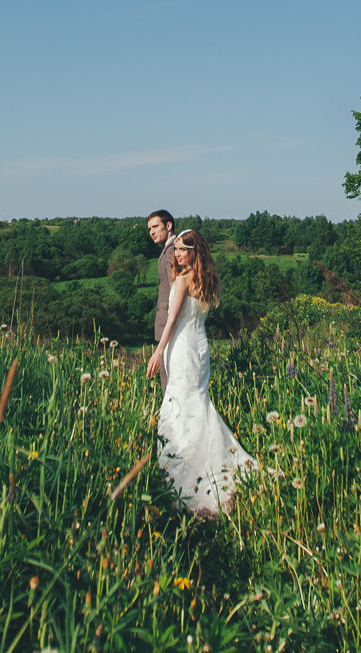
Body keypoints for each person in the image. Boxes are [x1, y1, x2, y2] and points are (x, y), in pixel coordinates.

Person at [143, 230, 257, 518]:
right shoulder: (204, 277)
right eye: (176, 249)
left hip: (181, 347)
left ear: (194, 251)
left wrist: (158, 352)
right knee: (197, 403)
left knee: (181, 404)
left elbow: (170, 321)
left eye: (182, 250)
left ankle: (185, 470)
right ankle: (211, 458)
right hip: (200, 346)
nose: (177, 254)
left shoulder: (182, 279)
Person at [146, 209, 177, 348]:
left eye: (155, 227)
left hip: (170, 325)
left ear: (168, 226)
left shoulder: (172, 250)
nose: (151, 232)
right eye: (149, 229)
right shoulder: (169, 248)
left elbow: (176, 288)